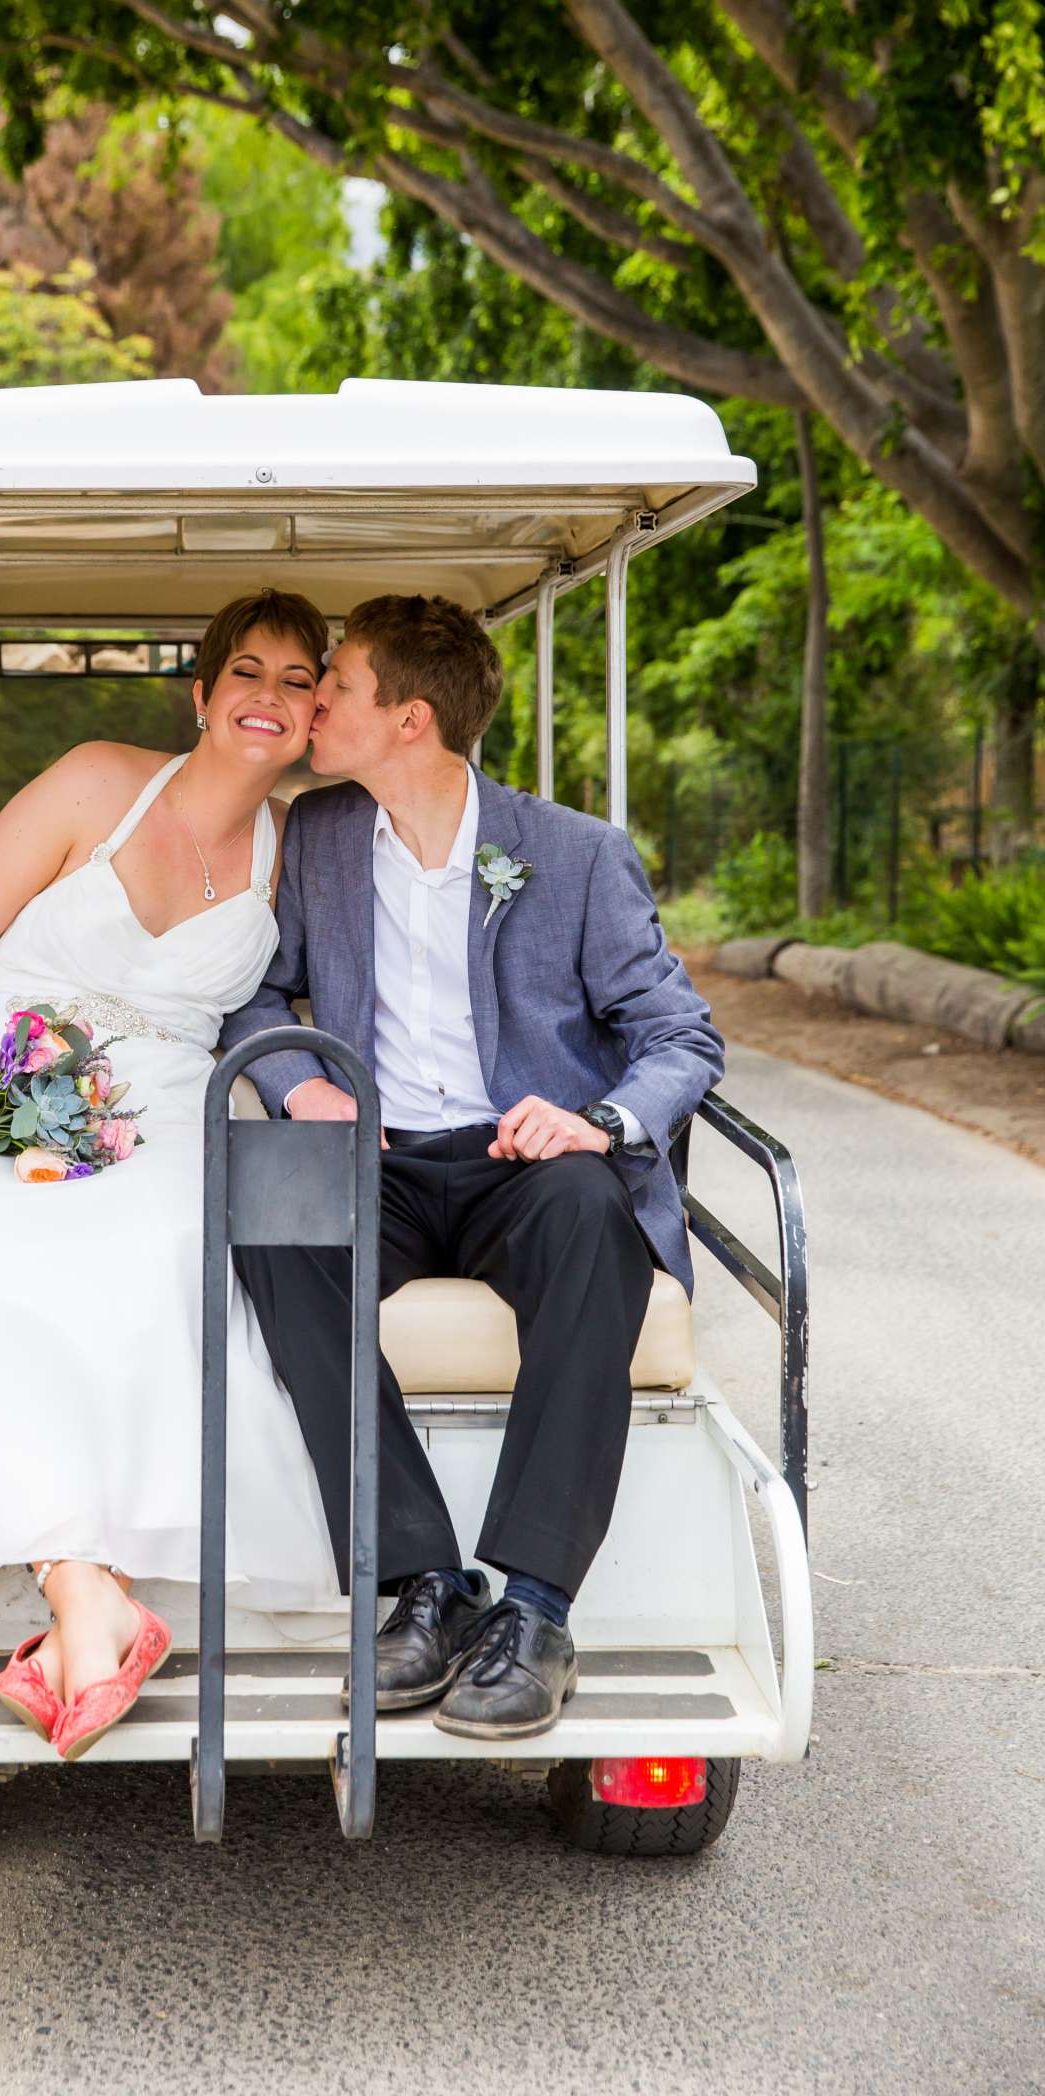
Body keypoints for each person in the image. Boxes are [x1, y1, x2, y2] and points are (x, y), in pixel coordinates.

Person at [0, 590, 341, 1761]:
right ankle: (88, 1595)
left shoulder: (304, 842)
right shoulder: (91, 779)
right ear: (203, 694)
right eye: (247, 674)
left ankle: (80, 1607)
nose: (269, 699)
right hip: (9, 1074)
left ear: (318, 713)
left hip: (172, 1104)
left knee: (167, 1247)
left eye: (296, 681)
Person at [223, 593, 724, 1739]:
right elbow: (255, 989)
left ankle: (536, 1613)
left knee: (594, 1219)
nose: (314, 706)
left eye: (334, 686)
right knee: (274, 1223)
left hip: (523, 1158)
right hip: (380, 1154)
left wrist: (596, 1119)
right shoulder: (318, 836)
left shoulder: (576, 854)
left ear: (408, 720)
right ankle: (423, 1585)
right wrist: (305, 1090)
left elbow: (682, 1036)